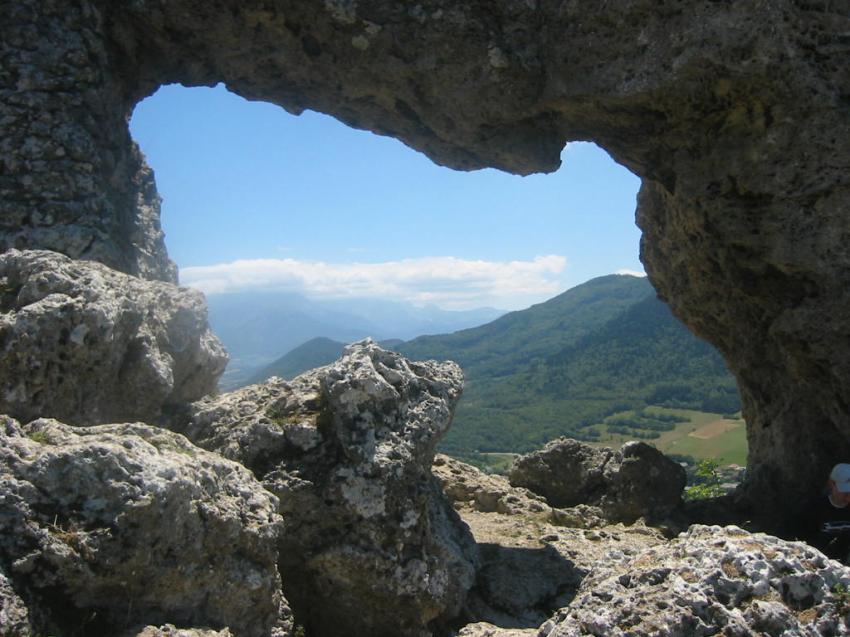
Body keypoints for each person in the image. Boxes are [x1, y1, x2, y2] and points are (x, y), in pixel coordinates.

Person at [802, 463, 850, 563]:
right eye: (845, 491)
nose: (848, 496)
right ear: (832, 484)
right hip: (820, 564)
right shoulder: (814, 508)